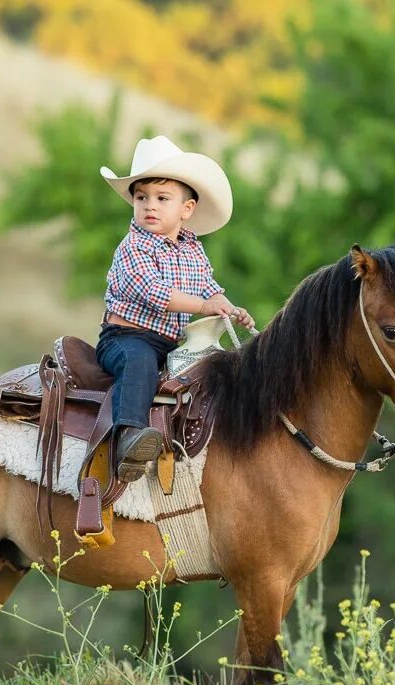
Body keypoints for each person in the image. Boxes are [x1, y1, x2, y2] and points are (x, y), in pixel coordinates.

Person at [96, 135, 255, 482]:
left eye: (161, 198)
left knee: (213, 371)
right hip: (127, 336)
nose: (149, 206)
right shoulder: (133, 247)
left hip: (171, 342)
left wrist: (228, 309)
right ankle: (128, 438)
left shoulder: (193, 250)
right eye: (141, 198)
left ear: (186, 209)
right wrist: (203, 305)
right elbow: (155, 293)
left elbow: (208, 286)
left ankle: (211, 448)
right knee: (137, 363)